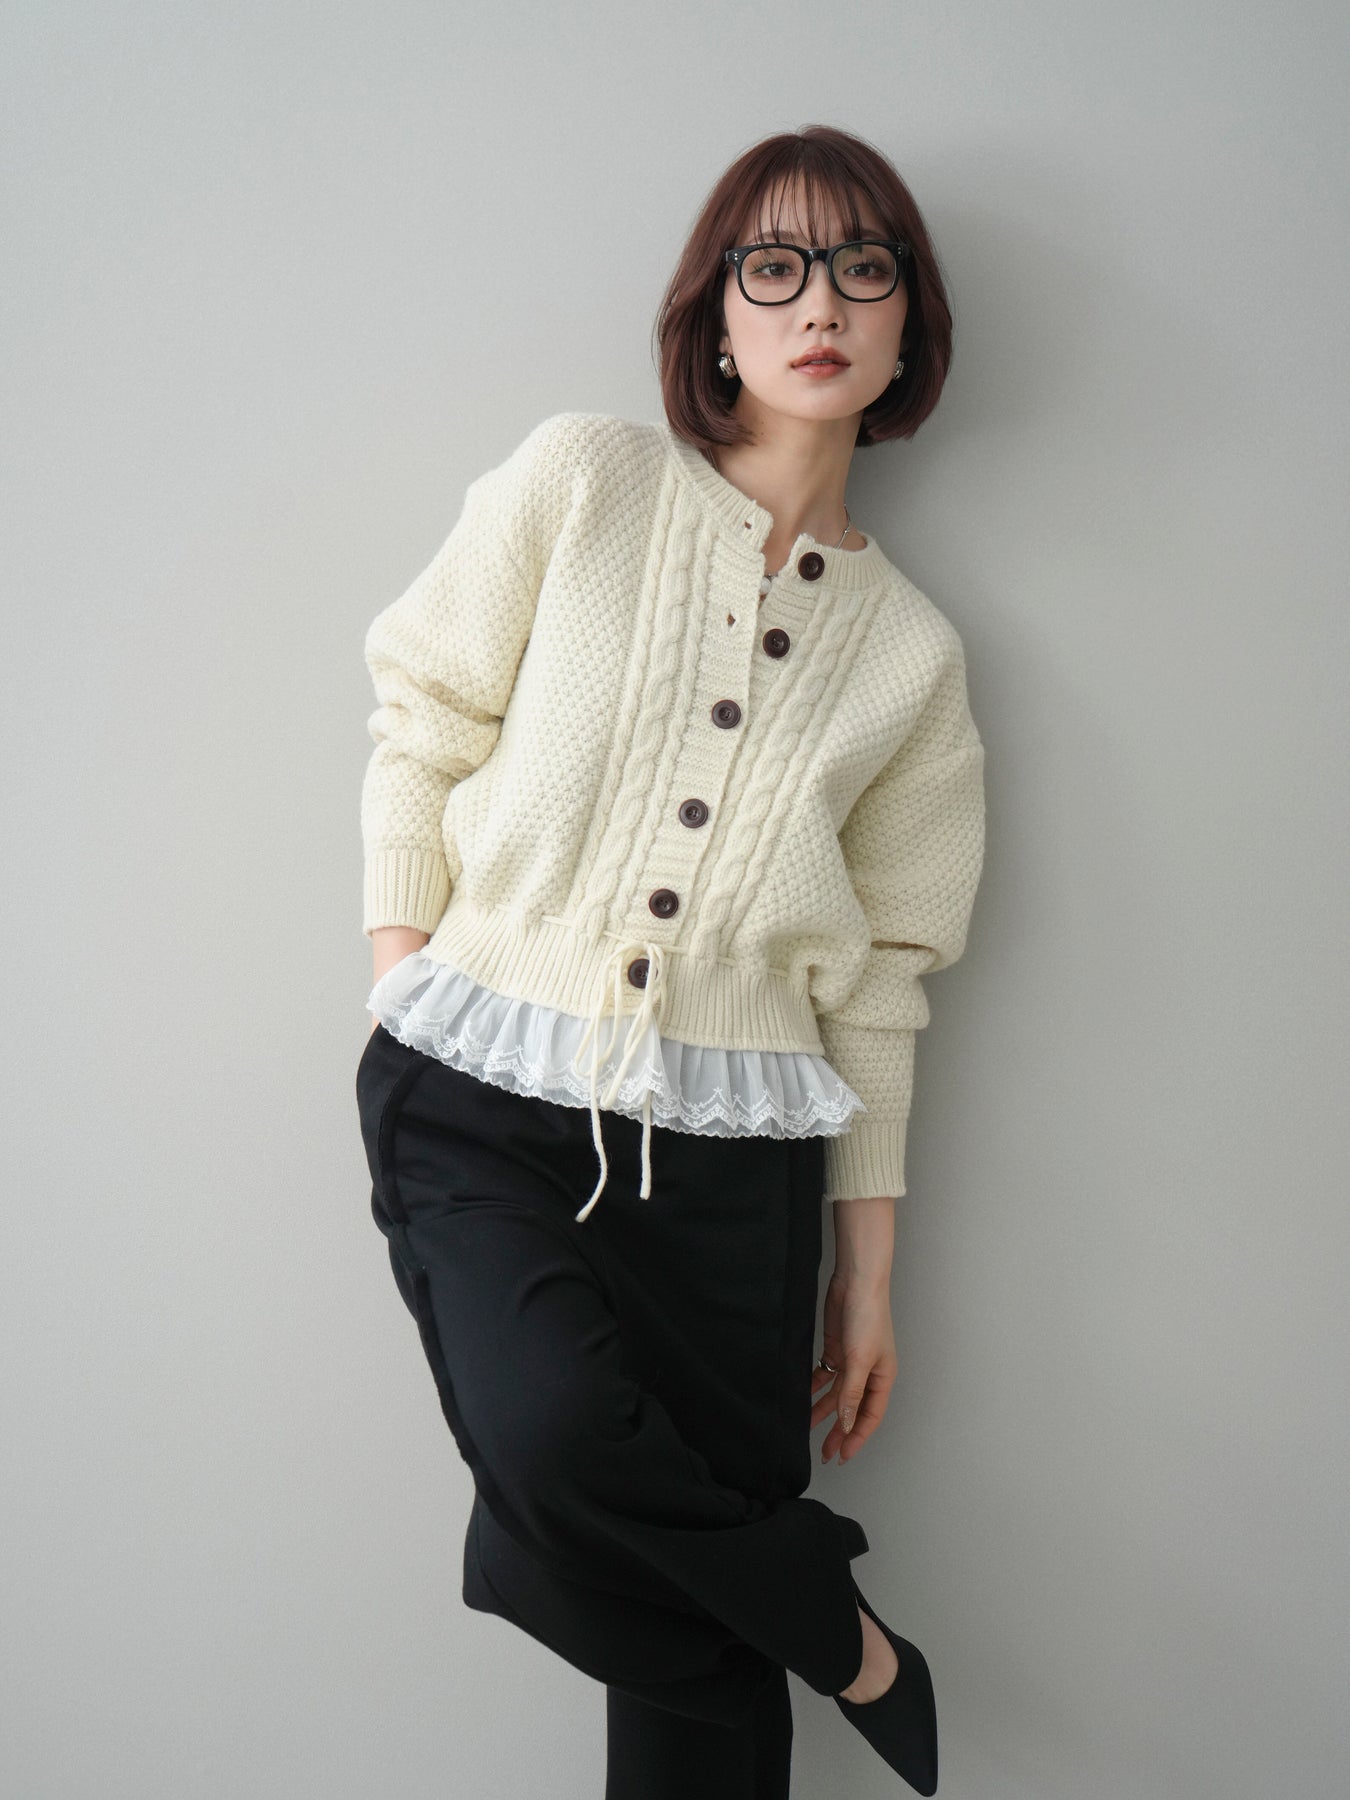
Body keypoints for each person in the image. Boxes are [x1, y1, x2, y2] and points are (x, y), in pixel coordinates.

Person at [355, 123, 986, 1798]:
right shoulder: (586, 482)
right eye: (771, 266)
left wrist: (864, 1275)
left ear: (908, 326)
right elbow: (422, 718)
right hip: (482, 1097)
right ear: (713, 314)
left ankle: (768, 1620)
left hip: (734, 1164)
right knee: (556, 1440)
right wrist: (410, 970)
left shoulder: (912, 655)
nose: (817, 304)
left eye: (862, 268)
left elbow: (884, 982)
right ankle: (839, 1632)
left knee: (697, 1667)